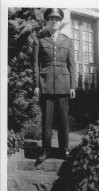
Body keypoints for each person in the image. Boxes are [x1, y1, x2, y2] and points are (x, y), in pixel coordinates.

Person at [33, 8, 76, 161]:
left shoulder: (67, 41)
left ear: (60, 22)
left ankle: (64, 150)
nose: (54, 21)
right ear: (47, 21)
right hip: (46, 84)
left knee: (64, 120)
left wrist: (72, 86)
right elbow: (36, 65)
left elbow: (72, 65)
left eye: (57, 19)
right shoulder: (40, 40)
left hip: (64, 85)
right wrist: (37, 85)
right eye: (51, 18)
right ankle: (46, 151)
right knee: (47, 120)